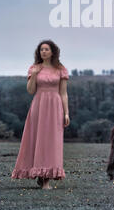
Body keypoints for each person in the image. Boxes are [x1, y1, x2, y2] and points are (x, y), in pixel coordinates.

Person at [11, 39, 70, 190]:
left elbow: (63, 93)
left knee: (52, 142)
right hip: (39, 106)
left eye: (46, 49)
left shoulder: (61, 69)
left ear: (52, 52)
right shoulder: (34, 68)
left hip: (55, 106)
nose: (43, 51)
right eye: (41, 49)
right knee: (37, 140)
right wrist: (35, 75)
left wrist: (66, 113)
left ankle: (46, 178)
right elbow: (30, 91)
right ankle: (41, 176)